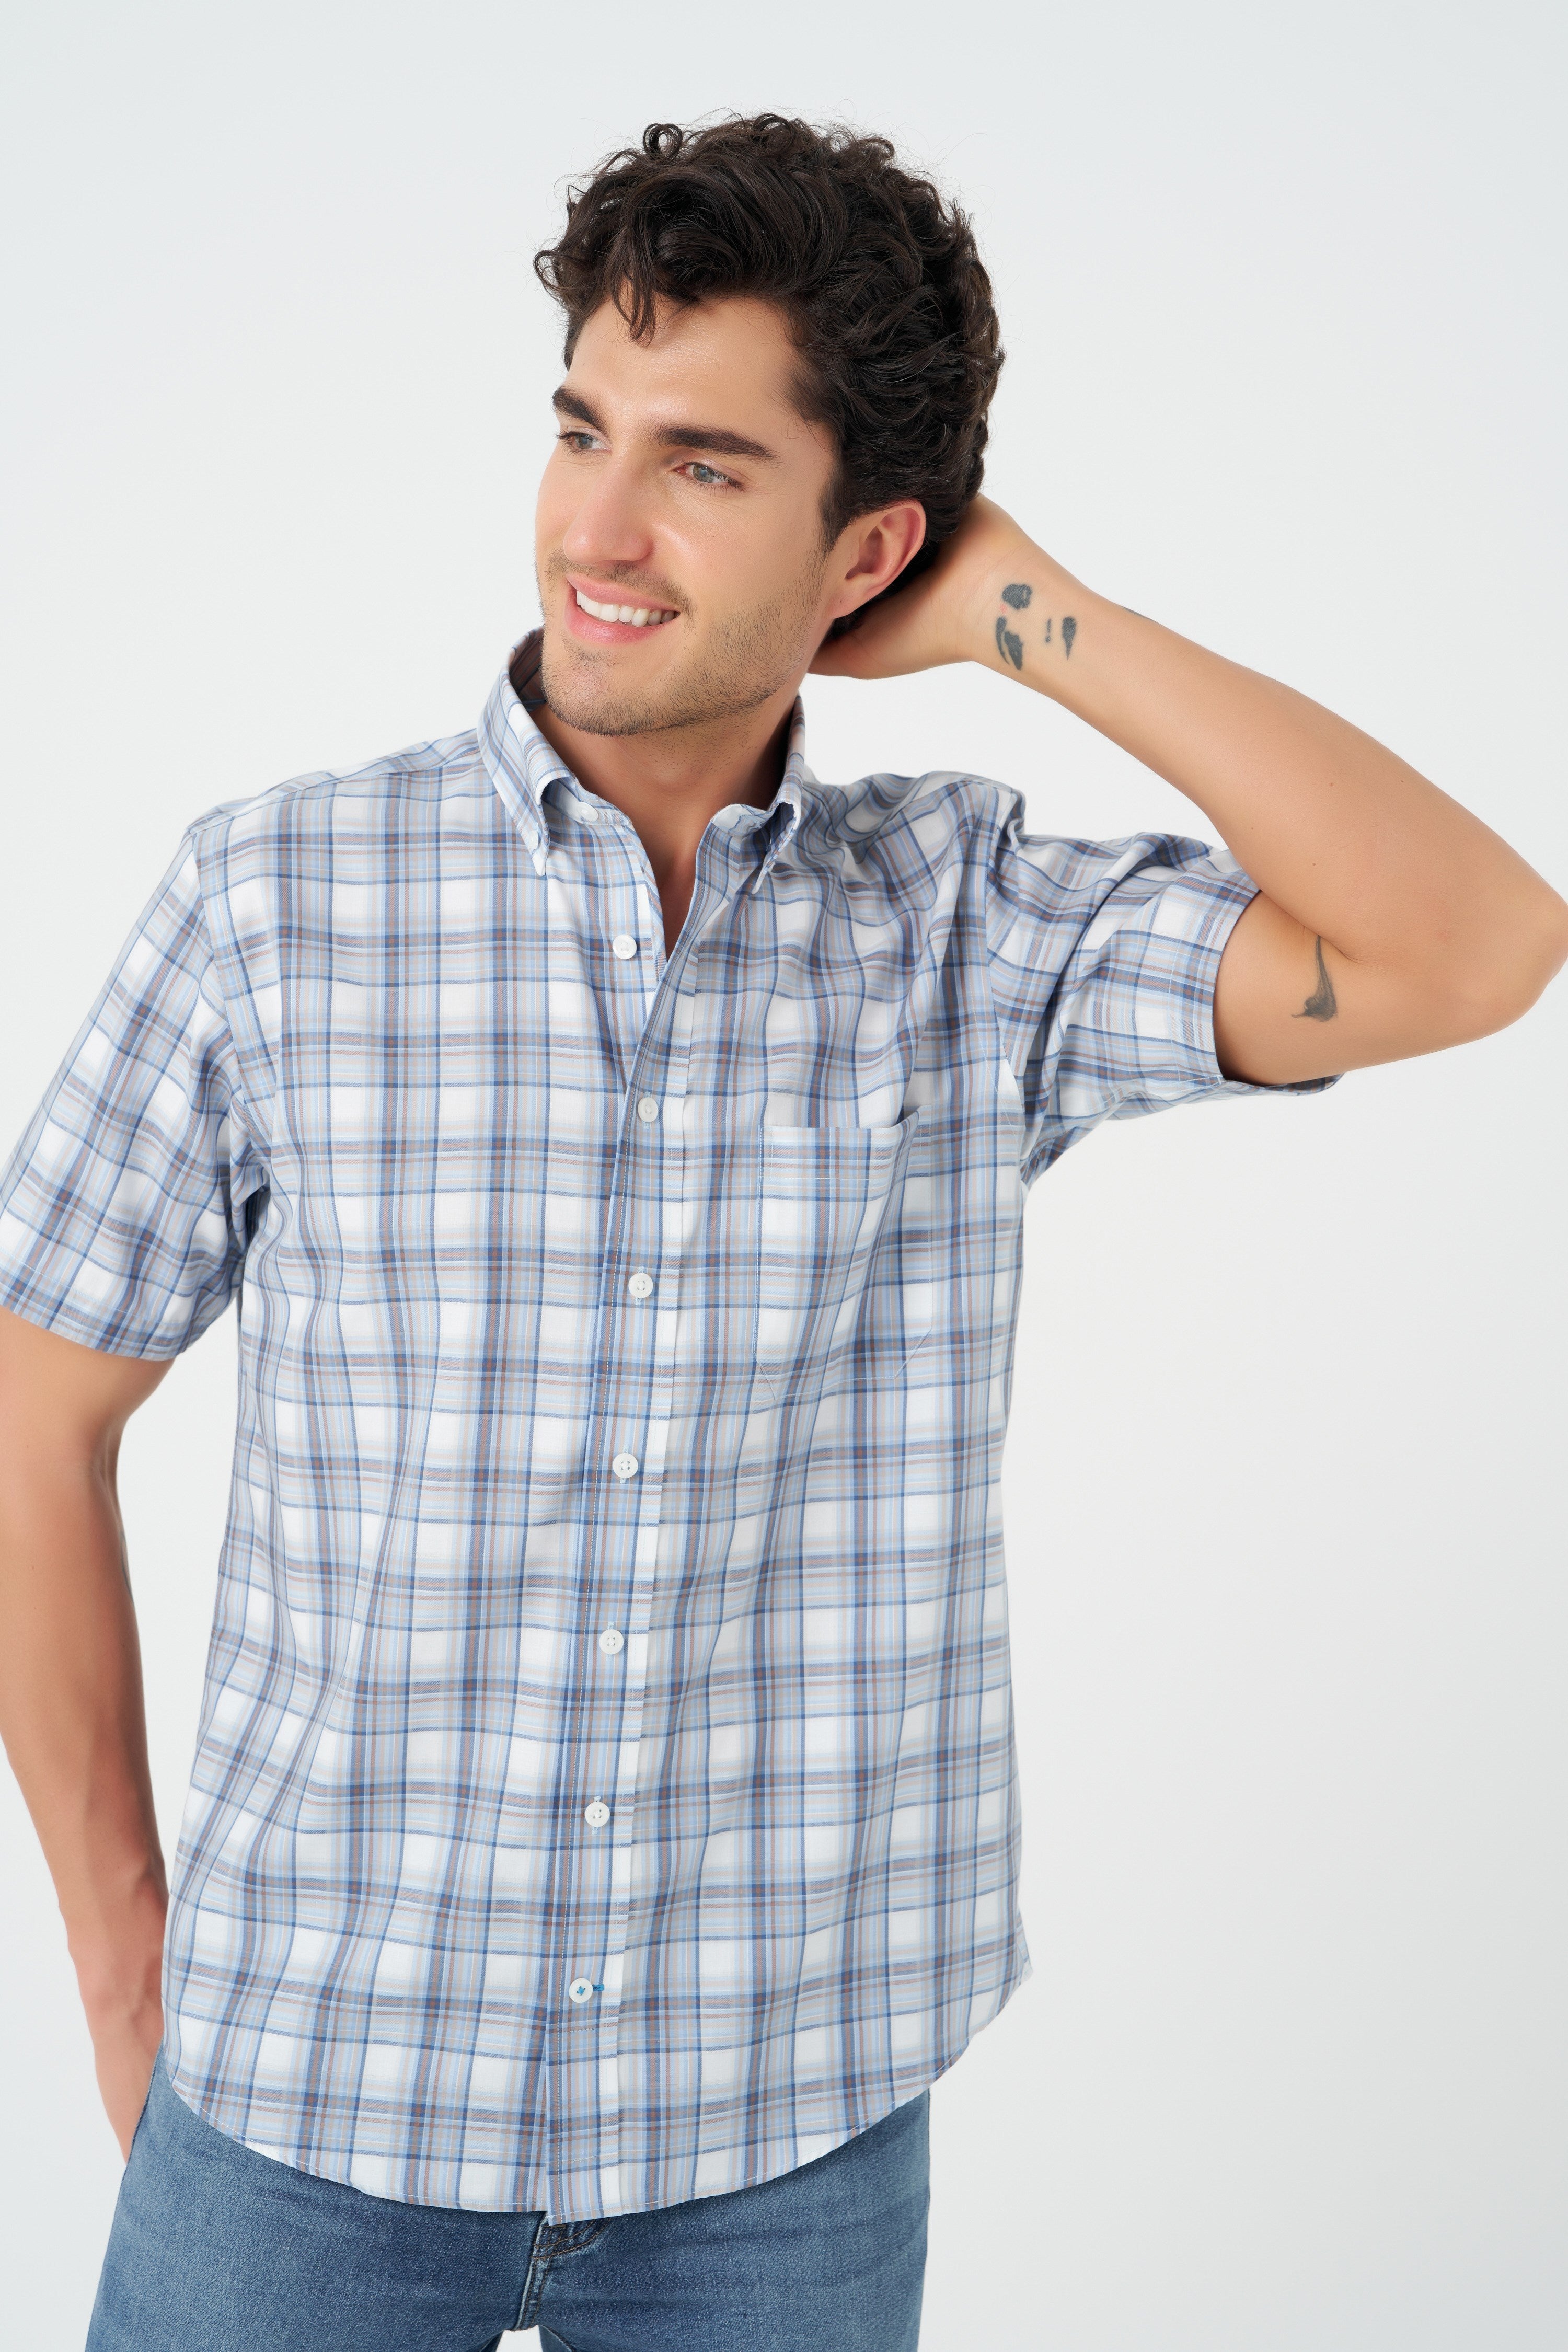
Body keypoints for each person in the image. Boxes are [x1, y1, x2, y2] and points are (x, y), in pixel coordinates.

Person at [1, 112, 1563, 2352]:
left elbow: (1475, 944)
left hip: (781, 2140)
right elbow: (34, 1408)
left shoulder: (966, 927)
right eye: (582, 431)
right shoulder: (275, 902)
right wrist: (117, 1947)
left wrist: (1029, 620)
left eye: (706, 467)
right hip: (306, 2096)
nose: (596, 530)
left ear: (870, 552)